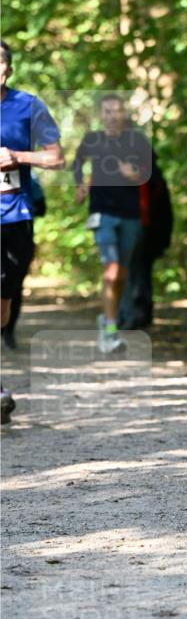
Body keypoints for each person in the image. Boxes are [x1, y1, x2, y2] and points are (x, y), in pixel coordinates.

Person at [0, 40, 64, 423]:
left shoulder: (28, 106)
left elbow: (56, 157)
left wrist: (17, 157)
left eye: (2, 61)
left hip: (11, 216)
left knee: (3, 301)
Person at [73, 94, 151, 354]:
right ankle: (109, 331)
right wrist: (80, 184)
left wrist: (136, 174)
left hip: (130, 214)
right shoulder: (92, 139)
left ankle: (107, 319)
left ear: (123, 114)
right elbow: (77, 162)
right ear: (101, 114)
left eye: (117, 111)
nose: (112, 115)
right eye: (107, 111)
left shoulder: (137, 140)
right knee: (112, 270)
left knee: (122, 275)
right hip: (102, 213)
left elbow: (148, 172)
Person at [117, 148, 172, 329]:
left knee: (133, 271)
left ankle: (132, 316)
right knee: (140, 271)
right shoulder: (154, 176)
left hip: (140, 230)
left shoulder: (141, 176)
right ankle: (140, 315)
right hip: (148, 232)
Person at [2, 171, 47, 350]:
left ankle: (9, 332)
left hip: (19, 237)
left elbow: (42, 208)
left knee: (12, 288)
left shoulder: (29, 177)